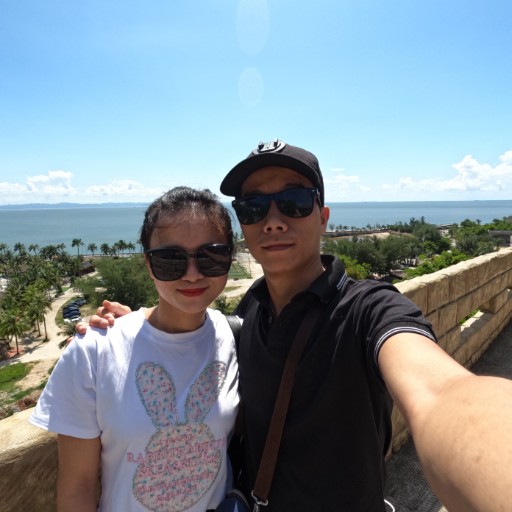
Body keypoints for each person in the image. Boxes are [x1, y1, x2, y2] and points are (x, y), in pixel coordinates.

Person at [82, 140, 512, 512]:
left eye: (294, 202)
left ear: (322, 216)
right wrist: (139, 326)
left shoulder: (367, 310)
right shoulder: (249, 313)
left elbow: (441, 393)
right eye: (254, 207)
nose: (273, 220)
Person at [31, 186, 240, 512]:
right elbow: (78, 486)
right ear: (148, 264)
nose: (192, 274)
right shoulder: (94, 350)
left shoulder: (233, 335)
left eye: (210, 256)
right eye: (170, 259)